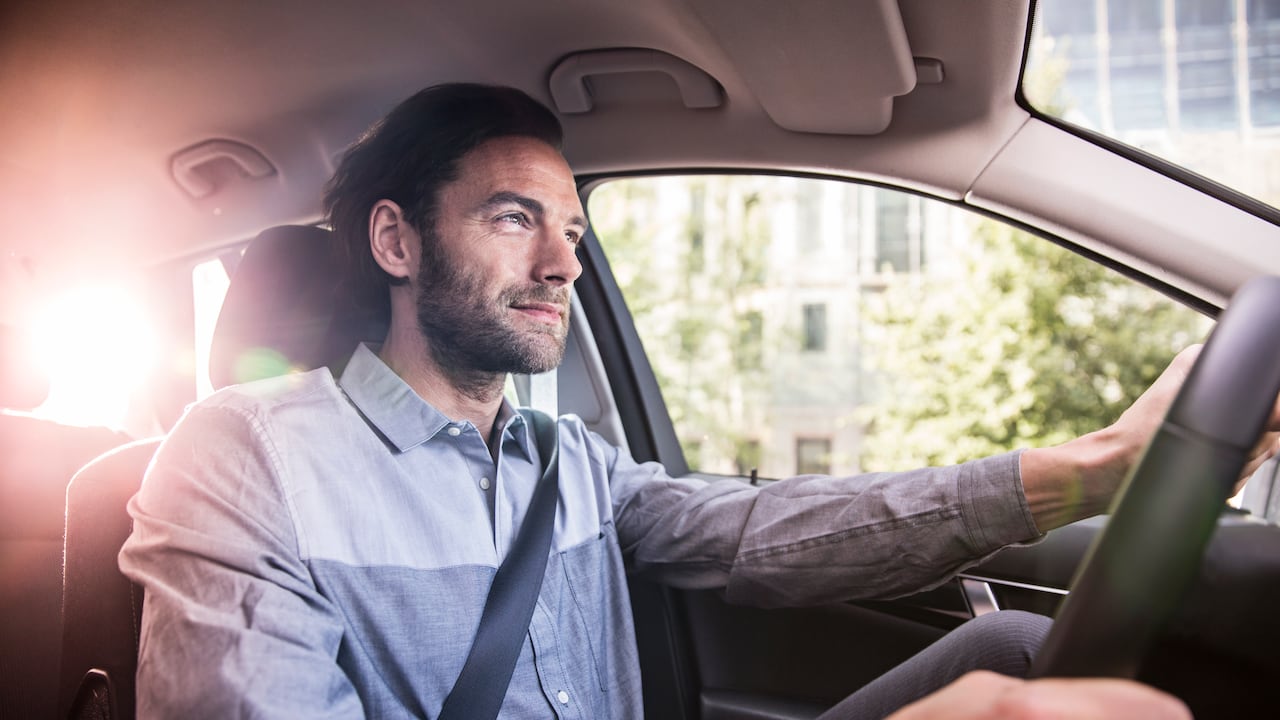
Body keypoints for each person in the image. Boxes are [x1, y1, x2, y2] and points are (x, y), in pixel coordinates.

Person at [119, 83, 1277, 719]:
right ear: (394, 241)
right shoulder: (243, 458)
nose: (564, 265)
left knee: (1018, 657)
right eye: (514, 219)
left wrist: (1088, 470)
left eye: (572, 231)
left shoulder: (567, 462)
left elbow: (765, 531)